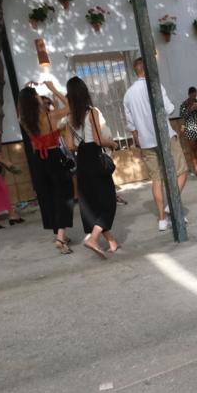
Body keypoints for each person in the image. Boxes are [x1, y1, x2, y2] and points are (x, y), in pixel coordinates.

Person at [123, 58, 188, 232]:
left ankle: (161, 219)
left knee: (156, 179)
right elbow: (168, 109)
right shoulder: (155, 86)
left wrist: (137, 141)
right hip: (165, 136)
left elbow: (130, 125)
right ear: (146, 69)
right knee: (181, 171)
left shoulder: (128, 94)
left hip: (146, 141)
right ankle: (172, 206)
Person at [62, 77, 119, 258]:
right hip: (94, 157)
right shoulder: (92, 112)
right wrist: (112, 144)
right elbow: (97, 139)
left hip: (82, 162)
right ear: (84, 93)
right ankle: (93, 238)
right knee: (109, 201)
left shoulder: (69, 119)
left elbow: (70, 146)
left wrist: (82, 147)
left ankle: (111, 241)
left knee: (93, 203)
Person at [19, 82, 75, 253]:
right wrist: (53, 89)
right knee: (63, 194)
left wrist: (25, 92)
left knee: (48, 196)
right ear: (35, 99)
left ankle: (60, 234)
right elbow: (69, 106)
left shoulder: (24, 120)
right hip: (53, 157)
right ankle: (60, 237)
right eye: (36, 95)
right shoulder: (49, 117)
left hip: (38, 161)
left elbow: (20, 108)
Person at [180, 86, 197, 175]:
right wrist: (190, 109)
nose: (195, 97)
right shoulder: (184, 104)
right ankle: (196, 169)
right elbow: (182, 115)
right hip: (190, 127)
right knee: (193, 149)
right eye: (193, 95)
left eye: (196, 95)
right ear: (189, 94)